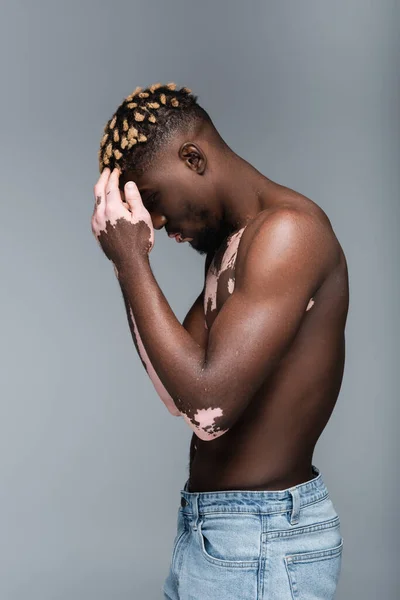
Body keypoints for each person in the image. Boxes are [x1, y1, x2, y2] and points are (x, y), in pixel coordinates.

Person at [91, 82, 348, 599]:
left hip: (261, 541)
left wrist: (133, 262)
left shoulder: (287, 234)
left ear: (192, 157)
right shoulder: (232, 250)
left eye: (154, 198)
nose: (156, 222)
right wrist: (127, 270)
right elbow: (177, 395)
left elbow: (210, 407)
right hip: (220, 535)